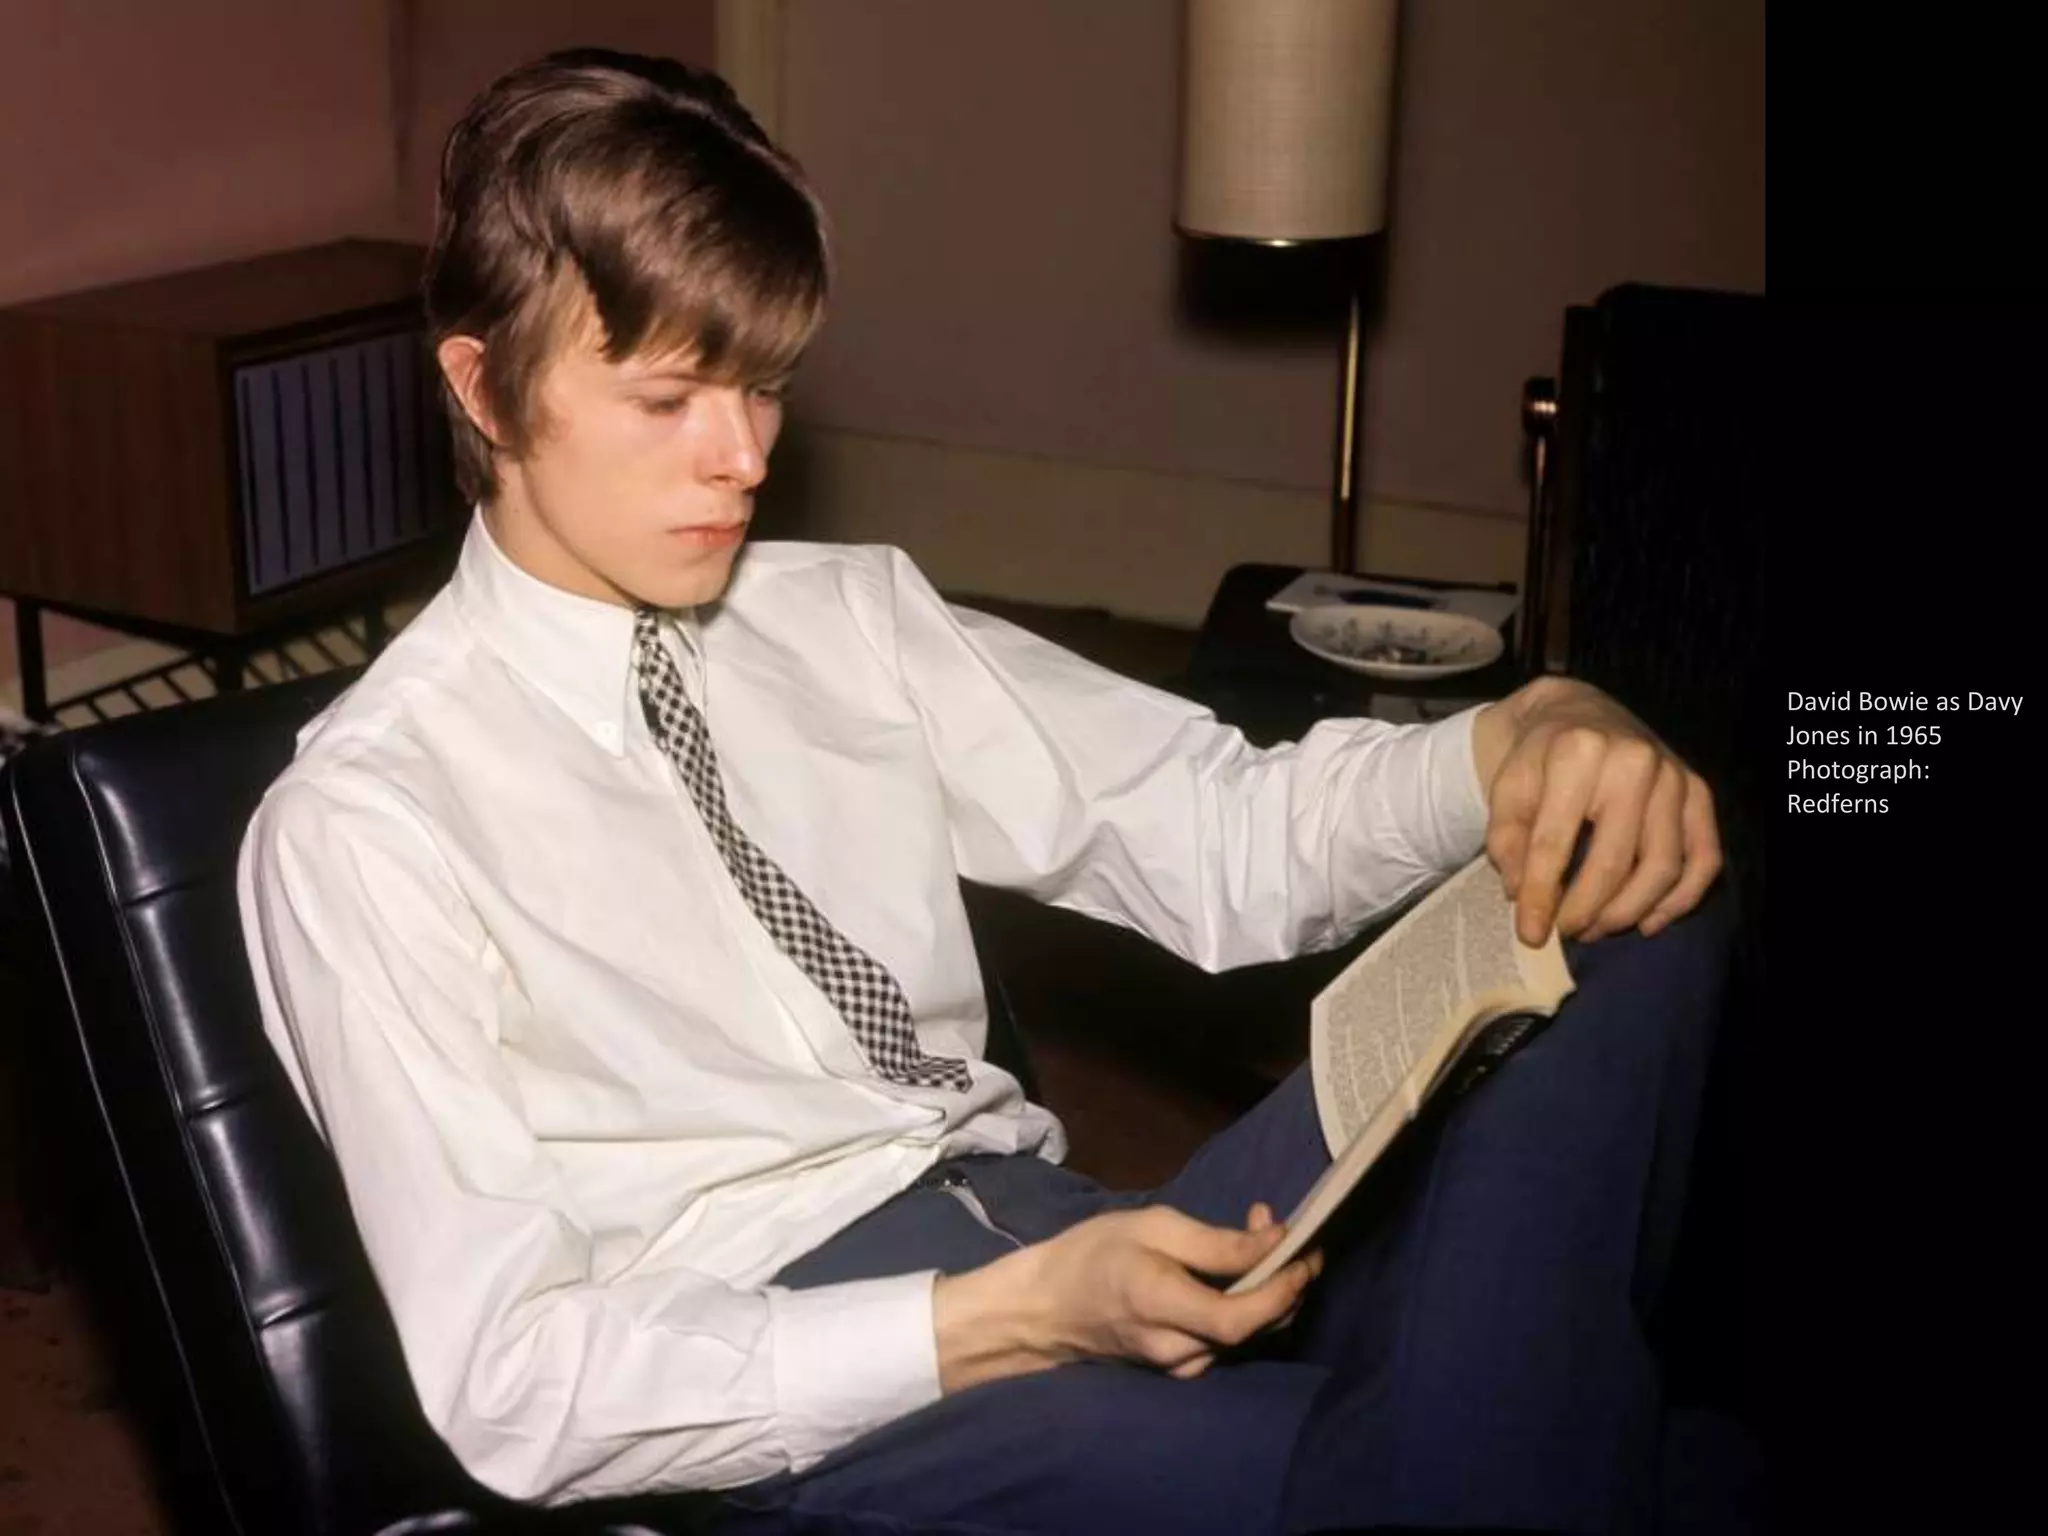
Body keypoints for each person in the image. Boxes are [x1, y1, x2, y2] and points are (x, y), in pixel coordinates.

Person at [237, 47, 1731, 1536]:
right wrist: (1007, 1318)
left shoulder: (852, 619)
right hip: (826, 1379)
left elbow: (1223, 836)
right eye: (671, 395)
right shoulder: (369, 821)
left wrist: (1522, 734)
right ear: (483, 384)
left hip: (1072, 1222)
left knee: (1635, 892)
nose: (743, 455)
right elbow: (518, 1381)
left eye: (764, 383)